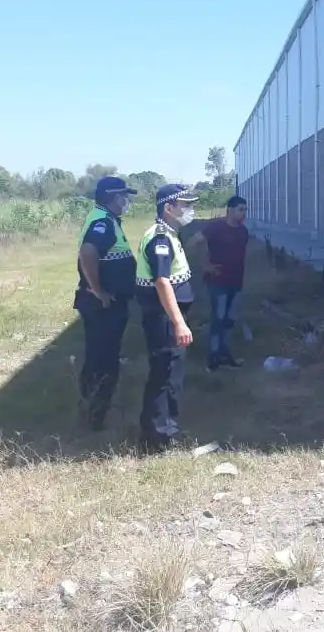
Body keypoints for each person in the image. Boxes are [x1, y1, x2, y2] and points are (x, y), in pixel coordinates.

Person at [135, 184, 198, 451]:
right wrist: (179, 322)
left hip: (167, 315)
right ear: (168, 208)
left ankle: (154, 430)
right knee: (166, 376)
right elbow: (162, 282)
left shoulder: (169, 234)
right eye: (184, 205)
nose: (188, 209)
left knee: (166, 373)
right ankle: (160, 438)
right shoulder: (160, 237)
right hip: (164, 317)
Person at [74, 176, 138, 431]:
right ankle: (95, 415)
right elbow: (88, 252)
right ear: (113, 197)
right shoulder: (102, 222)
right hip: (103, 305)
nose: (126, 201)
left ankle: (94, 408)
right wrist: (98, 290)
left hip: (110, 303)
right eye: (124, 196)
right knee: (103, 360)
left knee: (101, 356)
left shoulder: (107, 219)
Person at [187, 195, 249, 373]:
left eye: (245, 210)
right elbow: (194, 242)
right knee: (218, 319)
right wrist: (205, 264)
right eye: (240, 210)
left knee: (230, 320)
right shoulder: (216, 227)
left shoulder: (243, 231)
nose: (243, 213)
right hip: (218, 282)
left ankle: (225, 353)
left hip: (236, 283)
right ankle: (213, 357)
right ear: (230, 210)